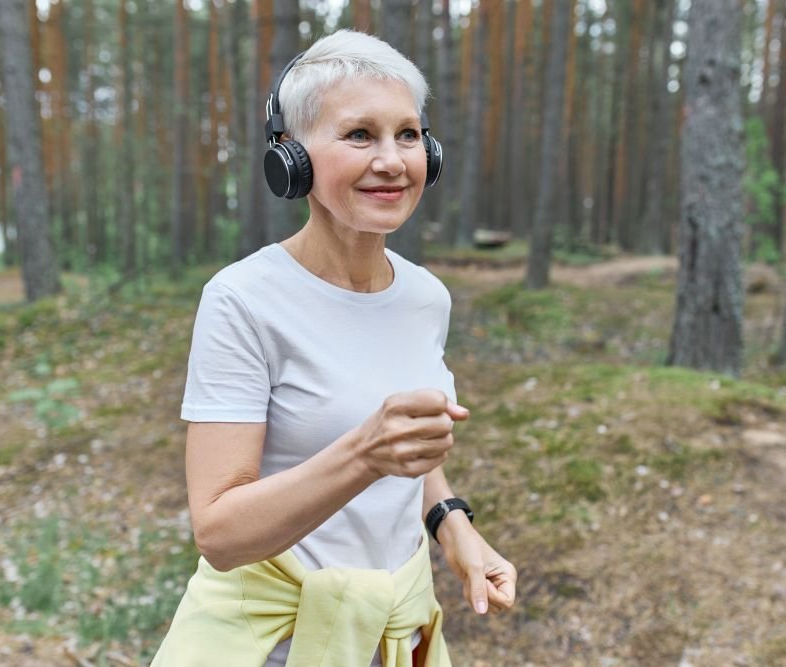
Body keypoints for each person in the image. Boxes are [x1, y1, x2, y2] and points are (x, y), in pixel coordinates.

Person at [151, 30, 517, 667]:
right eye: (359, 135)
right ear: (291, 159)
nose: (392, 160)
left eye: (408, 134)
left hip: (396, 632)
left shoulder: (427, 297)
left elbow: (411, 446)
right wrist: (364, 453)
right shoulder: (242, 300)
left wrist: (455, 527)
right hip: (268, 644)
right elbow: (219, 533)